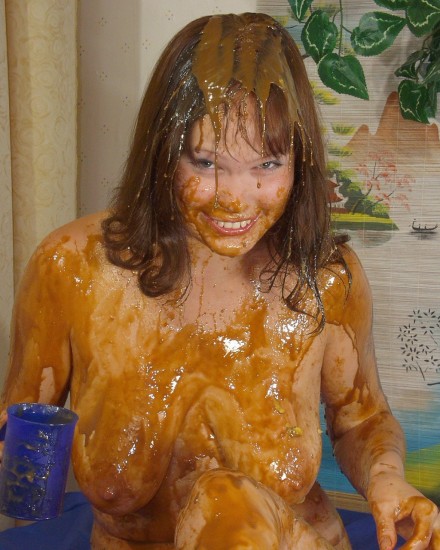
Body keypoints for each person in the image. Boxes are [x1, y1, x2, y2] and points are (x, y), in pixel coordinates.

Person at [0, 12, 439, 550]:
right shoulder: (72, 269)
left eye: (267, 165)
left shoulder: (323, 281)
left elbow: (362, 421)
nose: (234, 198)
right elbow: (22, 439)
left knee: (228, 501)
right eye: (206, 162)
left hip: (293, 540)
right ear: (162, 150)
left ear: (299, 159)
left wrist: (387, 478)